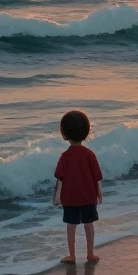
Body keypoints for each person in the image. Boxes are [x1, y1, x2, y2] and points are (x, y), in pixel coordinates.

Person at [52, 109, 103, 263]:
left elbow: (59, 179)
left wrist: (56, 197)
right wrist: (99, 193)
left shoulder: (65, 156)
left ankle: (72, 255)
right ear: (87, 131)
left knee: (71, 226)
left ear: (64, 133)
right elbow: (97, 177)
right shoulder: (89, 154)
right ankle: (90, 253)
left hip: (70, 198)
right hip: (88, 196)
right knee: (89, 224)